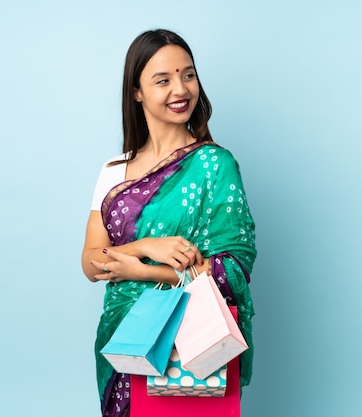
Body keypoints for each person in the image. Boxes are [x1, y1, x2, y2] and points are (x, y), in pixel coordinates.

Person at [81, 29, 257, 417]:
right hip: (126, 337)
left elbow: (234, 267)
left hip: (196, 337)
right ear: (137, 92)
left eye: (188, 75)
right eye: (163, 80)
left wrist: (142, 272)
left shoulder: (215, 165)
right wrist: (145, 248)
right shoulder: (114, 171)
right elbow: (91, 264)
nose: (181, 89)